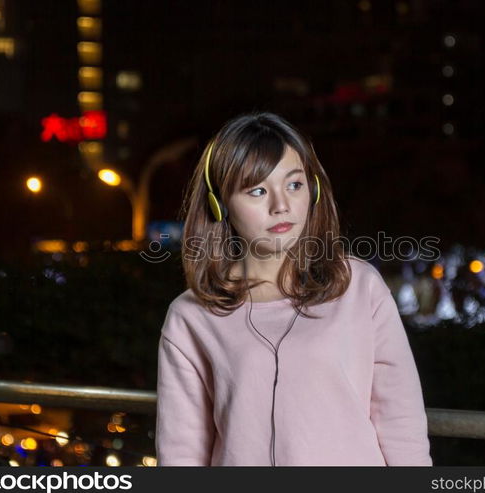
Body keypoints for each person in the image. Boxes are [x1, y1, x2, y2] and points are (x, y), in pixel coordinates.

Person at [156, 111, 432, 466]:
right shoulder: (190, 316)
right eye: (257, 190)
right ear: (219, 203)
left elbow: (401, 425)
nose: (281, 205)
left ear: (313, 190)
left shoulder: (360, 287)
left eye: (294, 184)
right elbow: (181, 453)